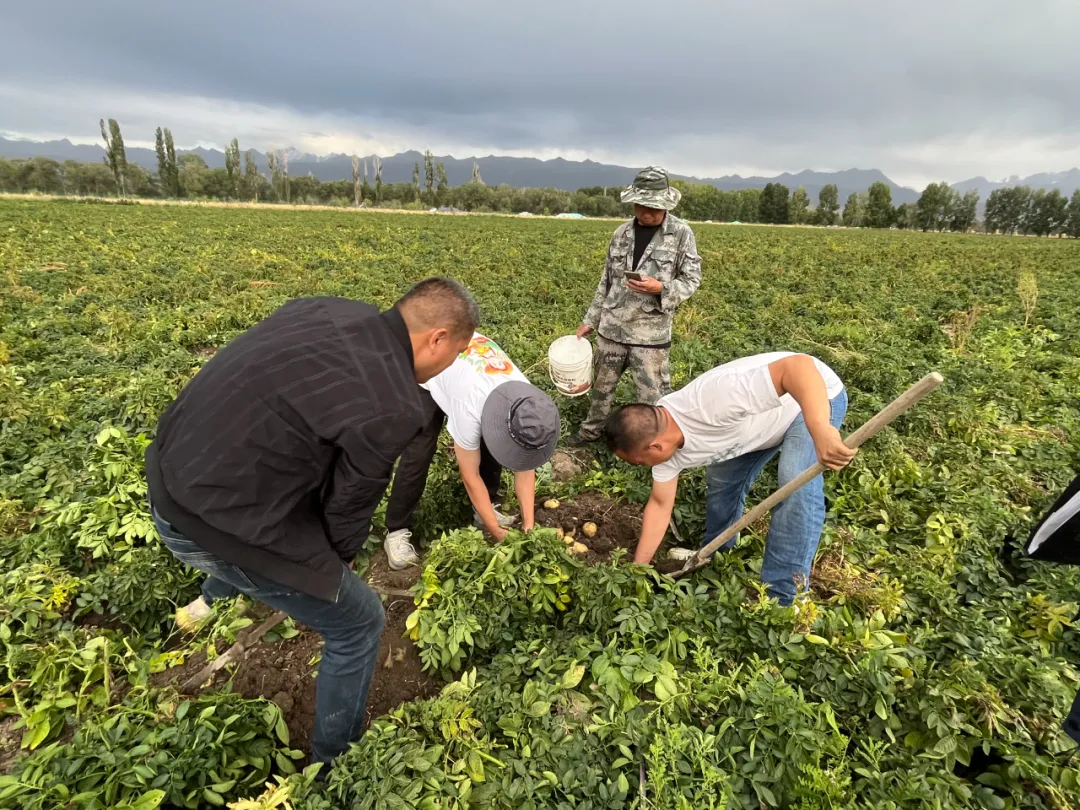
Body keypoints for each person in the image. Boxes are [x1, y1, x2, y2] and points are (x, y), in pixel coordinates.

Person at [144, 278, 479, 767]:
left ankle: (205, 602)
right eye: (459, 352)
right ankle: (333, 765)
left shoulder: (327, 309)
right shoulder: (396, 403)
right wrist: (335, 567)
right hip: (206, 520)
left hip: (171, 468)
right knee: (359, 620)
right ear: (438, 338)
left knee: (276, 511)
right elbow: (350, 502)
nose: (451, 366)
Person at [604, 352, 855, 605]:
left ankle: (784, 598)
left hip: (811, 398)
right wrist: (638, 569)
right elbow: (659, 505)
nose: (640, 467)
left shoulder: (712, 400)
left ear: (655, 447)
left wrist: (820, 428)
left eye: (637, 461)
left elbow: (798, 367)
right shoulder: (662, 442)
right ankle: (715, 552)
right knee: (722, 480)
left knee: (795, 482)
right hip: (755, 427)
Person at [382, 332, 560, 568]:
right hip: (428, 368)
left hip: (467, 374)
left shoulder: (529, 405)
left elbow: (525, 468)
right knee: (420, 450)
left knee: (497, 442)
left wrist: (529, 526)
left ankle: (484, 511)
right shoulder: (470, 407)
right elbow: (469, 474)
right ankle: (396, 530)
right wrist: (496, 532)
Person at [569, 166, 702, 445]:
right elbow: (606, 281)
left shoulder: (680, 234)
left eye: (653, 207)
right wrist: (590, 319)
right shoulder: (621, 234)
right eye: (641, 205)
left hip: (649, 336)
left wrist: (661, 288)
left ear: (665, 205)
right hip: (612, 329)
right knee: (601, 391)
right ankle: (591, 434)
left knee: (652, 397)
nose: (646, 212)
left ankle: (652, 446)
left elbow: (692, 279)